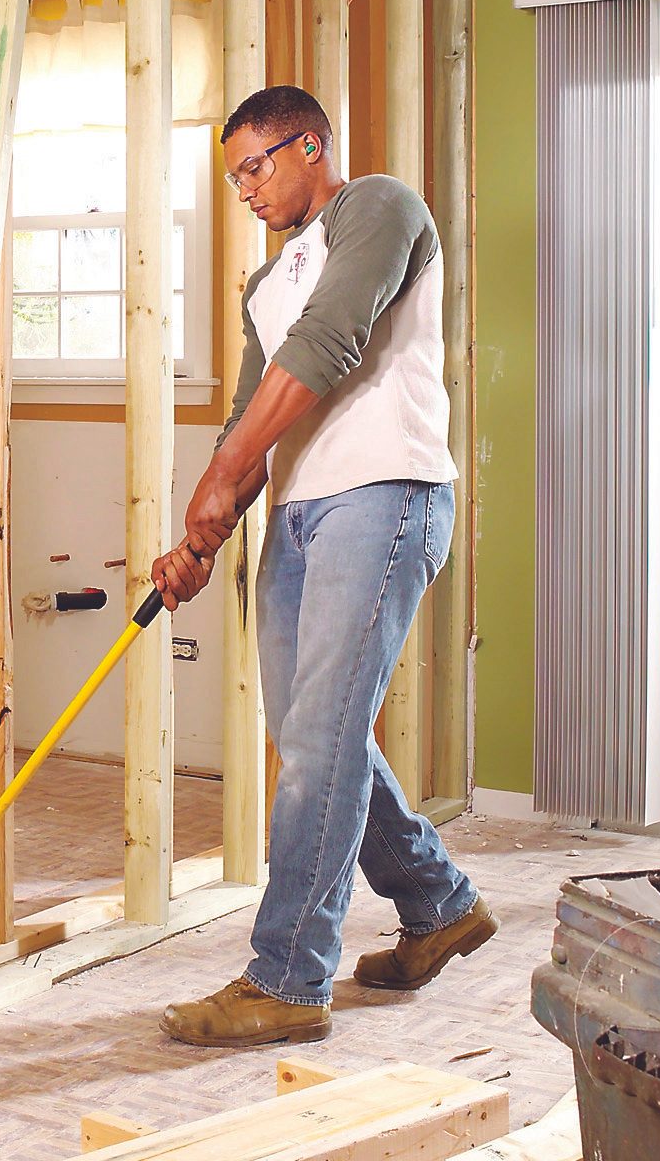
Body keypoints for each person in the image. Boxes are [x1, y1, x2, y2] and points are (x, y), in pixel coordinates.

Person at [151, 84, 495, 1050]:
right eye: (233, 177)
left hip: (384, 497)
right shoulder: (269, 280)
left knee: (320, 744)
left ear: (310, 145)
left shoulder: (379, 207)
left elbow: (331, 343)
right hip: (301, 518)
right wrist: (201, 538)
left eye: (255, 165)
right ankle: (440, 904)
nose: (246, 189)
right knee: (316, 737)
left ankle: (288, 977)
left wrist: (222, 476)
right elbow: (253, 414)